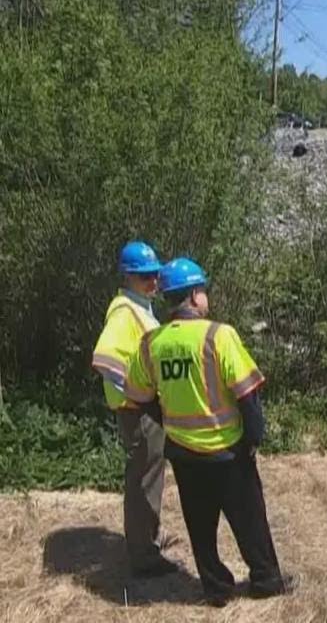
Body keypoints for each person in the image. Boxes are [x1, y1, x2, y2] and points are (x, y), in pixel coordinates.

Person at [123, 257, 293, 606]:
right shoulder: (219, 335)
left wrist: (168, 420)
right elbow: (248, 394)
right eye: (204, 291)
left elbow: (139, 397)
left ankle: (216, 589)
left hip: (184, 453)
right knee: (250, 521)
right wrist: (252, 439)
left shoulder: (151, 343)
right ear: (195, 295)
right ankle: (266, 580)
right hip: (227, 450)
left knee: (200, 529)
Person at [90, 240, 178, 577]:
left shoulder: (139, 307)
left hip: (141, 409)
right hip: (137, 411)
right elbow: (104, 357)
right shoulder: (125, 311)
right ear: (128, 276)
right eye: (144, 276)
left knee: (150, 474)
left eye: (155, 274)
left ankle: (148, 539)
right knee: (144, 477)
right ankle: (143, 555)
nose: (153, 281)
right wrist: (134, 393)